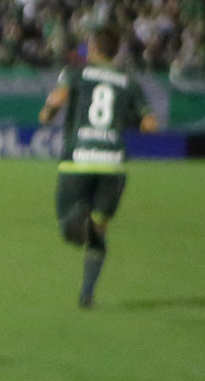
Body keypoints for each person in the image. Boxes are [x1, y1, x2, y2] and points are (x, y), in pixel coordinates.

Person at [39, 27, 159, 309]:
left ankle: (77, 215)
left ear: (93, 47)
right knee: (98, 233)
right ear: (116, 50)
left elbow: (57, 100)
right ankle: (87, 294)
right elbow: (150, 123)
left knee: (68, 226)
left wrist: (47, 113)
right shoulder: (128, 81)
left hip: (78, 159)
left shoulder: (75, 73)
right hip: (112, 165)